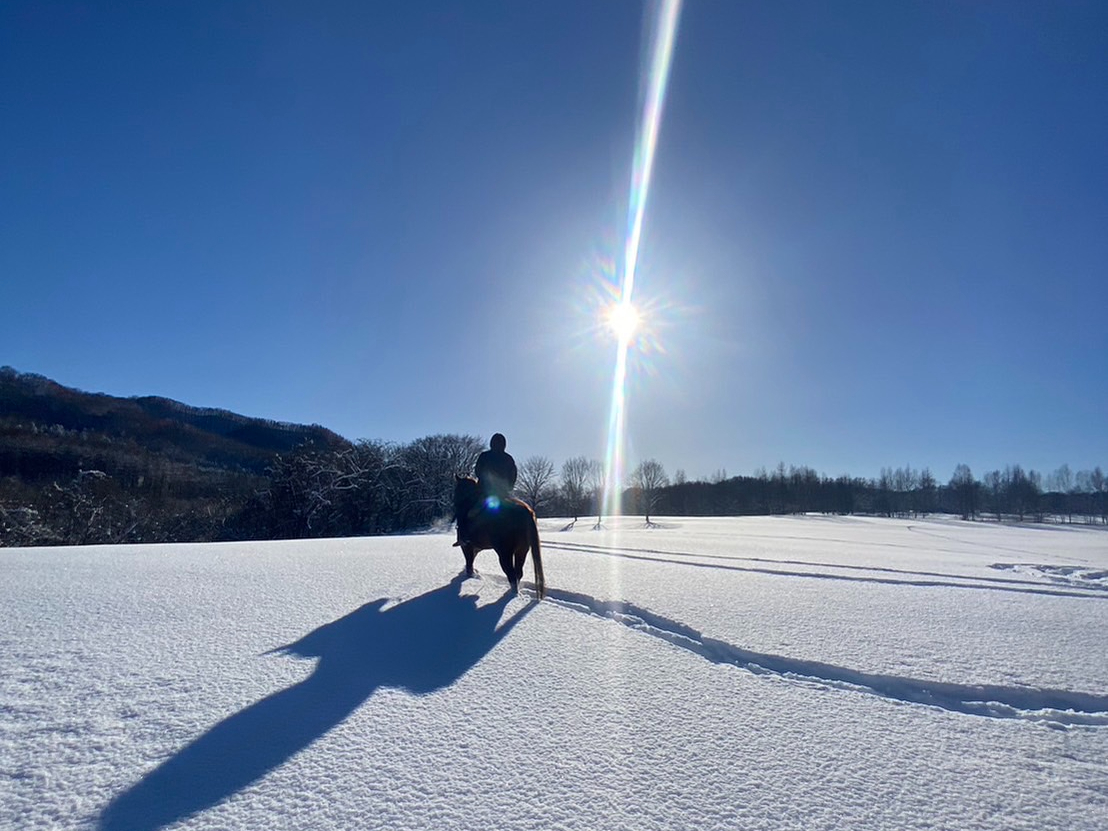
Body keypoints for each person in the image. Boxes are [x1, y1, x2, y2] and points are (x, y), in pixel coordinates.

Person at [456, 433, 517, 547]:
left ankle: (463, 537)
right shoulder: (508, 458)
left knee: (466, 512)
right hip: (504, 494)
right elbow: (513, 475)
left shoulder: (485, 456)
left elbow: (478, 472)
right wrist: (508, 488)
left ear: (491, 443)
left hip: (485, 493)